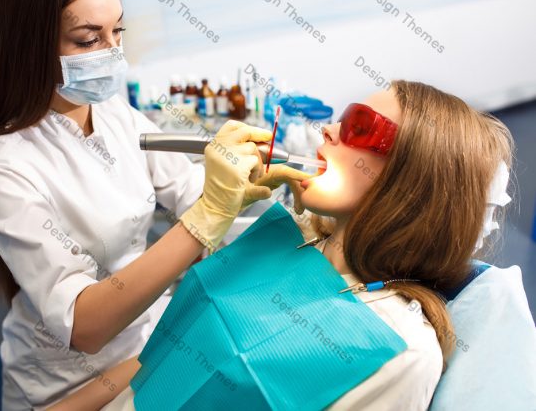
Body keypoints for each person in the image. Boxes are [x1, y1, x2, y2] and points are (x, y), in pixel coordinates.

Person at [0, 0, 309, 409]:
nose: (112, 53)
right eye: (89, 40)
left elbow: (190, 192)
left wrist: (288, 222)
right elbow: (82, 325)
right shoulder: (4, 168)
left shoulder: (111, 112)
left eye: (117, 32)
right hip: (68, 383)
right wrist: (205, 218)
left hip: (146, 340)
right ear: (31, 45)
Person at [103, 80, 514, 410]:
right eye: (342, 119)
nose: (329, 130)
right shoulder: (289, 236)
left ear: (414, 181)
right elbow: (160, 360)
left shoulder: (401, 351)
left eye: (361, 126)